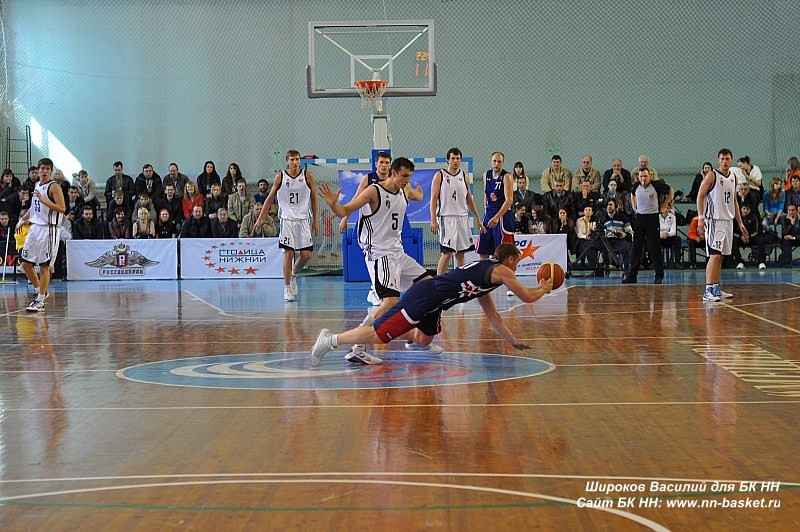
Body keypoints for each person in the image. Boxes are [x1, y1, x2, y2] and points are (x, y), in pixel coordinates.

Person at [310, 243, 552, 366]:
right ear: (509, 259)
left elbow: (494, 317)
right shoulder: (500, 269)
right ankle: (330, 340)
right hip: (426, 295)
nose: (516, 268)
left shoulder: (486, 280)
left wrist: (512, 340)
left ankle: (406, 337)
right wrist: (543, 288)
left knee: (424, 339)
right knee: (379, 335)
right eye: (516, 263)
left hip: (436, 303)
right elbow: (527, 297)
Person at [318, 157, 428, 365]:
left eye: (410, 177)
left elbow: (417, 195)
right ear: (393, 173)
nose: (407, 180)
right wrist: (334, 205)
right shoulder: (373, 191)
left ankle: (416, 336)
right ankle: (357, 346)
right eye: (404, 176)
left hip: (398, 252)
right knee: (390, 302)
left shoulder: (404, 189)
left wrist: (420, 194)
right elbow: (345, 211)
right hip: (380, 253)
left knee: (429, 286)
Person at [255, 150, 318, 301]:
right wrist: (260, 219)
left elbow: (314, 199)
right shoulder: (280, 177)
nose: (295, 162)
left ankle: (294, 274)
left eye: (297, 159)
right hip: (287, 220)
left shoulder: (308, 176)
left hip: (303, 219)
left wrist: (315, 220)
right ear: (287, 161)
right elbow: (269, 198)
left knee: (306, 255)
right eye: (292, 159)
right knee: (288, 254)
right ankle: (287, 288)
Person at [696, 149, 748, 302]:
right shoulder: (712, 175)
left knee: (722, 256)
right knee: (714, 254)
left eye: (727, 158)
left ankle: (715, 287)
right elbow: (700, 195)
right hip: (714, 220)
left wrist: (740, 222)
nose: (725, 161)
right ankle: (708, 290)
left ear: (731, 160)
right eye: (722, 158)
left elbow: (734, 201)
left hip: (728, 220)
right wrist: (700, 217)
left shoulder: (733, 177)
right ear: (718, 160)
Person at [15, 158, 66, 312]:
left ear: (51, 171)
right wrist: (23, 220)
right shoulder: (37, 185)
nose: (44, 171)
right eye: (42, 168)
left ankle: (40, 301)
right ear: (38, 170)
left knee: (44, 266)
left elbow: (62, 208)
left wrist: (44, 201)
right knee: (25, 263)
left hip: (49, 229)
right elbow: (34, 207)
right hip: (35, 227)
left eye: (47, 169)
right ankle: (40, 290)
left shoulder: (54, 187)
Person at [430, 147, 485, 275]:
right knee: (447, 252)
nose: (455, 161)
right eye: (453, 158)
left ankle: (461, 281)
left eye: (458, 158)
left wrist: (477, 218)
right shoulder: (440, 175)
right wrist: (433, 219)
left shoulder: (464, 176)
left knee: (461, 253)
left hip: (462, 217)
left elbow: (469, 199)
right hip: (446, 217)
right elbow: (433, 199)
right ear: (448, 160)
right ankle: (438, 281)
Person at [622, 168, 673, 284]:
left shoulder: (656, 185)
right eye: (641, 176)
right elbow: (632, 194)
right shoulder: (636, 186)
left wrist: (664, 206)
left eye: (645, 176)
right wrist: (634, 206)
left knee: (654, 247)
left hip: (652, 218)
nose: (643, 179)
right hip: (640, 218)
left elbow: (671, 191)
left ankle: (659, 275)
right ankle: (632, 275)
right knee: (636, 247)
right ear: (638, 177)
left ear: (649, 176)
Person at [476, 152, 515, 259]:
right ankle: (484, 269)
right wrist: (486, 212)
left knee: (503, 252)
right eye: (494, 161)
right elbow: (486, 195)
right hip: (489, 214)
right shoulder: (486, 175)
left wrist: (497, 217)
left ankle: (503, 270)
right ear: (491, 162)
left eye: (499, 161)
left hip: (502, 216)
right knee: (483, 250)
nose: (496, 164)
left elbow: (509, 200)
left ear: (503, 163)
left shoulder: (506, 177)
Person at [598, 198, 632, 271]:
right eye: (607, 205)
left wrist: (624, 234)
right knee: (592, 245)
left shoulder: (623, 217)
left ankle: (626, 268)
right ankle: (603, 266)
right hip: (607, 240)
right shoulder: (603, 219)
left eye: (611, 205)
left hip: (619, 240)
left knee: (625, 247)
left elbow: (630, 233)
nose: (608, 207)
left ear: (616, 206)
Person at [733, 204, 766, 269]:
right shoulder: (736, 218)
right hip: (740, 238)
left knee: (761, 240)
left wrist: (748, 237)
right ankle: (740, 262)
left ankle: (761, 262)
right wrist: (741, 237)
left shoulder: (753, 217)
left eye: (747, 209)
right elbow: (733, 231)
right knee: (733, 241)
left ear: (750, 210)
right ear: (741, 209)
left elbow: (756, 231)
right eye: (744, 209)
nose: (745, 211)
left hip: (751, 238)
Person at [575, 205, 603, 276]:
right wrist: (585, 237)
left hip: (592, 239)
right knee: (585, 244)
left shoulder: (594, 222)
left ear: (592, 212)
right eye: (586, 210)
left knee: (594, 244)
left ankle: (597, 266)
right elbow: (579, 234)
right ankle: (593, 267)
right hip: (583, 239)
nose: (588, 212)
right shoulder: (579, 221)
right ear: (584, 212)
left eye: (589, 210)